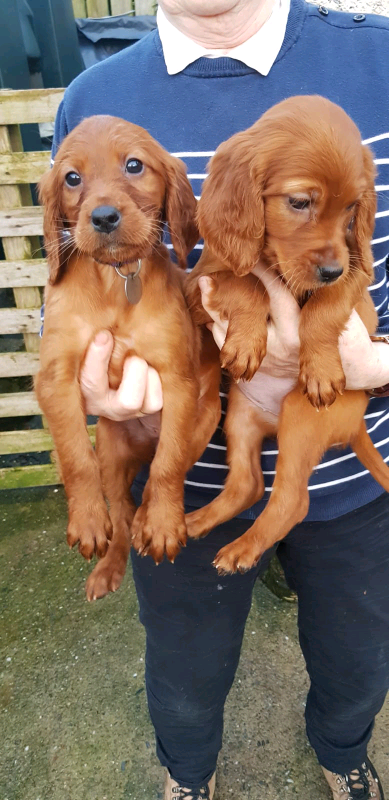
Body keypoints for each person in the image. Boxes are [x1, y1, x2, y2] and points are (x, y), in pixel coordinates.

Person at [51, 2, 389, 798]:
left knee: (357, 653)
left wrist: (367, 363)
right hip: (188, 480)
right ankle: (187, 775)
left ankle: (344, 757)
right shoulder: (95, 96)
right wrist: (96, 379)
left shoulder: (378, 62)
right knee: (185, 669)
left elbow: (356, 262)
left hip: (346, 467)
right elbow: (81, 280)